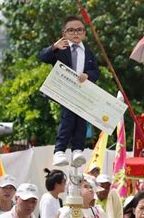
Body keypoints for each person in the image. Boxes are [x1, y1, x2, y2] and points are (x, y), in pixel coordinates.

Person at [40, 15, 101, 167]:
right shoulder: (61, 50)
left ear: (84, 33)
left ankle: (77, 150)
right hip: (64, 91)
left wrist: (88, 75)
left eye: (79, 30)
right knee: (67, 118)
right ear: (64, 33)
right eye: (71, 30)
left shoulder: (88, 52)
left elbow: (96, 72)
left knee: (81, 120)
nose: (76, 33)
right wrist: (54, 47)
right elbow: (43, 57)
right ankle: (59, 150)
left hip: (81, 93)